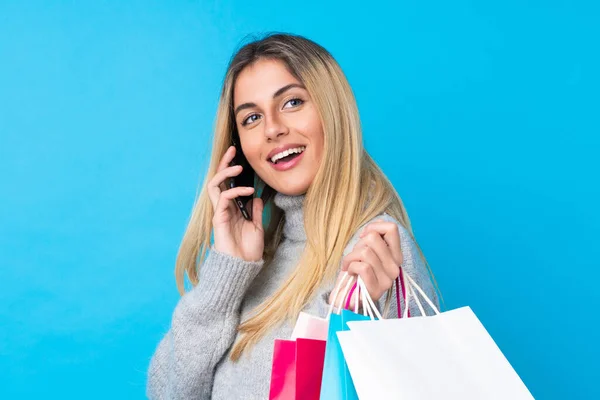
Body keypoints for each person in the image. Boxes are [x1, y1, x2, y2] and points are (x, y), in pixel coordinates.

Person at [146, 33, 440, 400]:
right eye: (252, 117)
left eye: (292, 102)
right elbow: (170, 394)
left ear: (332, 110)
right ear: (238, 147)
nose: (272, 129)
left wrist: (363, 315)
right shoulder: (252, 261)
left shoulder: (375, 251)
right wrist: (227, 273)